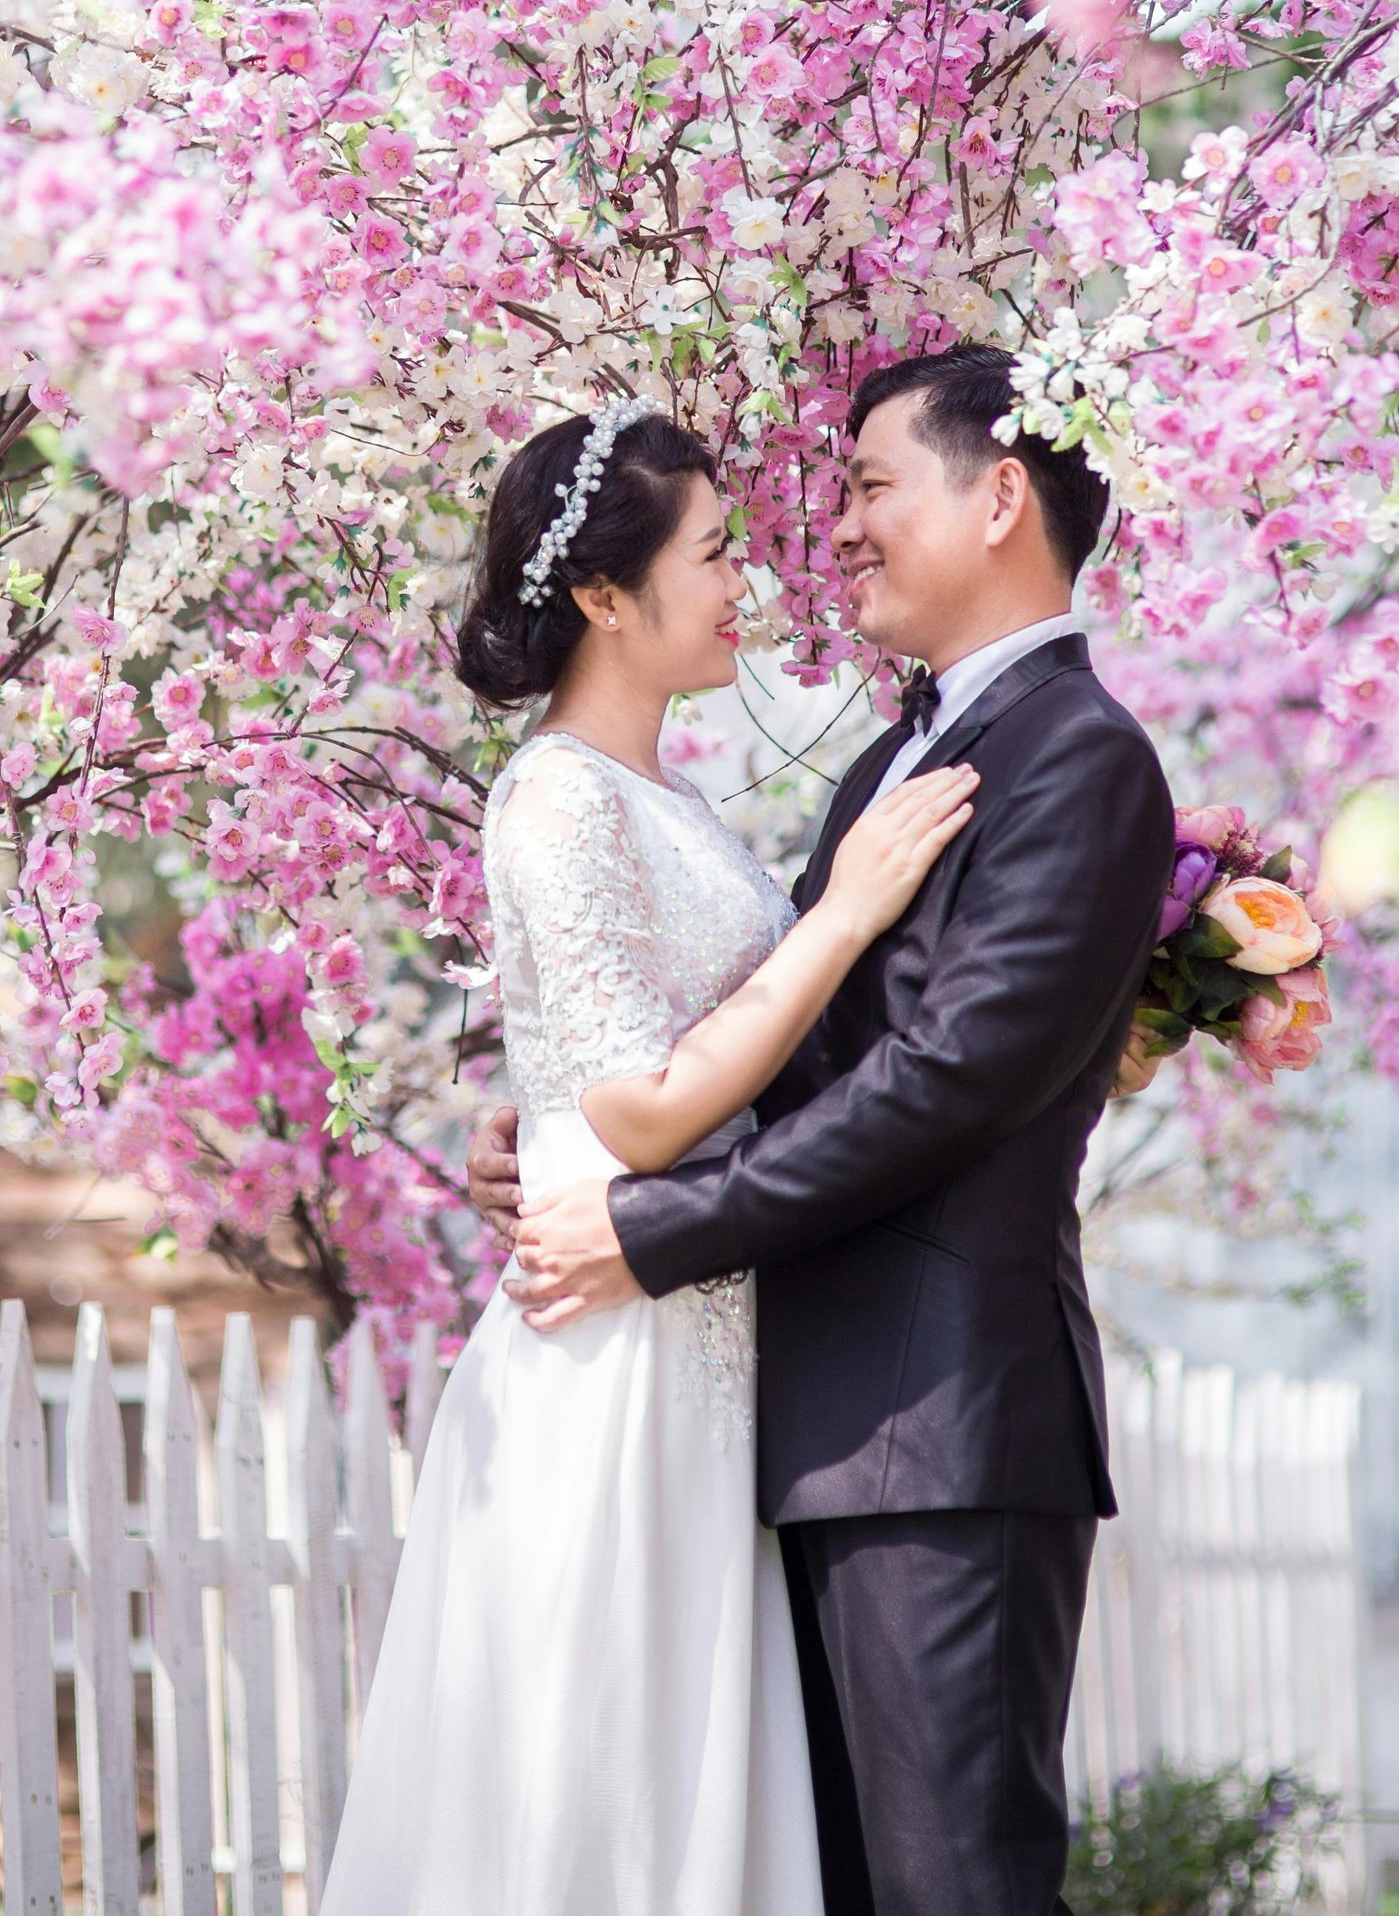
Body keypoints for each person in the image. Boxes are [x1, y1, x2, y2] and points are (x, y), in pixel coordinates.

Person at [478, 344, 1177, 1916]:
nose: (836, 529)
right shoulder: (899, 755)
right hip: (807, 1425)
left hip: (939, 1427)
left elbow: (943, 1083)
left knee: (955, 1889)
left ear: (1001, 497)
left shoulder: (1080, 760)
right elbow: (787, 1050)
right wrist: (577, 1161)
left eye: (871, 486)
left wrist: (647, 1229)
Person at [321, 397, 978, 1916]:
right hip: (607, 1343)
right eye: (717, 550)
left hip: (692, 1311)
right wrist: (846, 911)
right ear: (608, 597)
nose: (750, 575)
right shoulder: (554, 794)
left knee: (688, 1750)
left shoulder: (664, 794)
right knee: (598, 1766)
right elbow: (636, 1106)